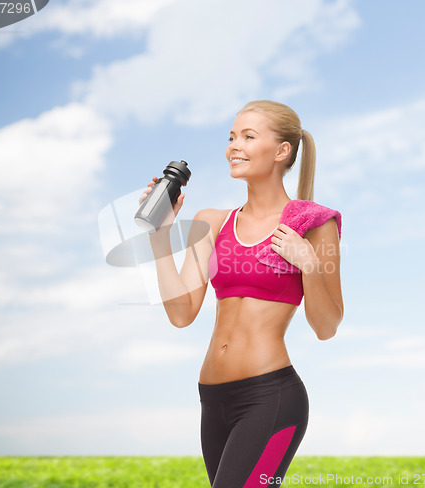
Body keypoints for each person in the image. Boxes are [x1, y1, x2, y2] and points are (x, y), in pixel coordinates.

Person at [139, 100, 344, 488]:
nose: (234, 145)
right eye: (232, 136)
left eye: (249, 136)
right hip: (212, 399)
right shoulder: (212, 221)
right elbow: (182, 313)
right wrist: (160, 236)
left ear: (282, 151)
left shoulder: (313, 226)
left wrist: (310, 264)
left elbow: (327, 326)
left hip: (270, 397)